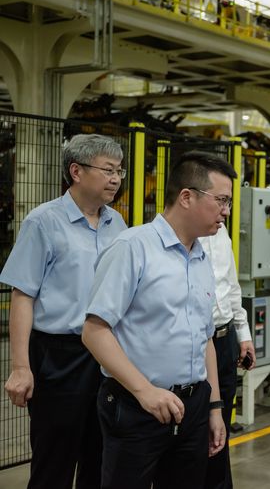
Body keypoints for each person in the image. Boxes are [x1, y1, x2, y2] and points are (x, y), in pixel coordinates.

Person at [81, 151, 234, 489]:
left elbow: (205, 336)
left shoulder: (201, 255)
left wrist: (213, 407)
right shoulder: (133, 247)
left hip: (192, 407)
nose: (226, 211)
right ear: (186, 197)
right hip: (137, 406)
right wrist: (145, 391)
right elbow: (94, 331)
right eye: (221, 201)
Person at [0, 134, 127, 489]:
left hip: (106, 353)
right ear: (76, 171)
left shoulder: (118, 224)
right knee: (54, 462)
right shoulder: (43, 223)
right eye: (108, 170)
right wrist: (21, 367)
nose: (116, 178)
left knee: (100, 457)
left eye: (119, 170)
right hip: (59, 357)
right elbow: (23, 296)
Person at [199, 222, 256, 489]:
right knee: (197, 431)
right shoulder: (181, 236)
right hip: (198, 344)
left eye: (228, 202)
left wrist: (242, 333)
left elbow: (231, 286)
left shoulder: (221, 233)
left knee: (220, 428)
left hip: (225, 341)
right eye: (220, 200)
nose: (226, 211)